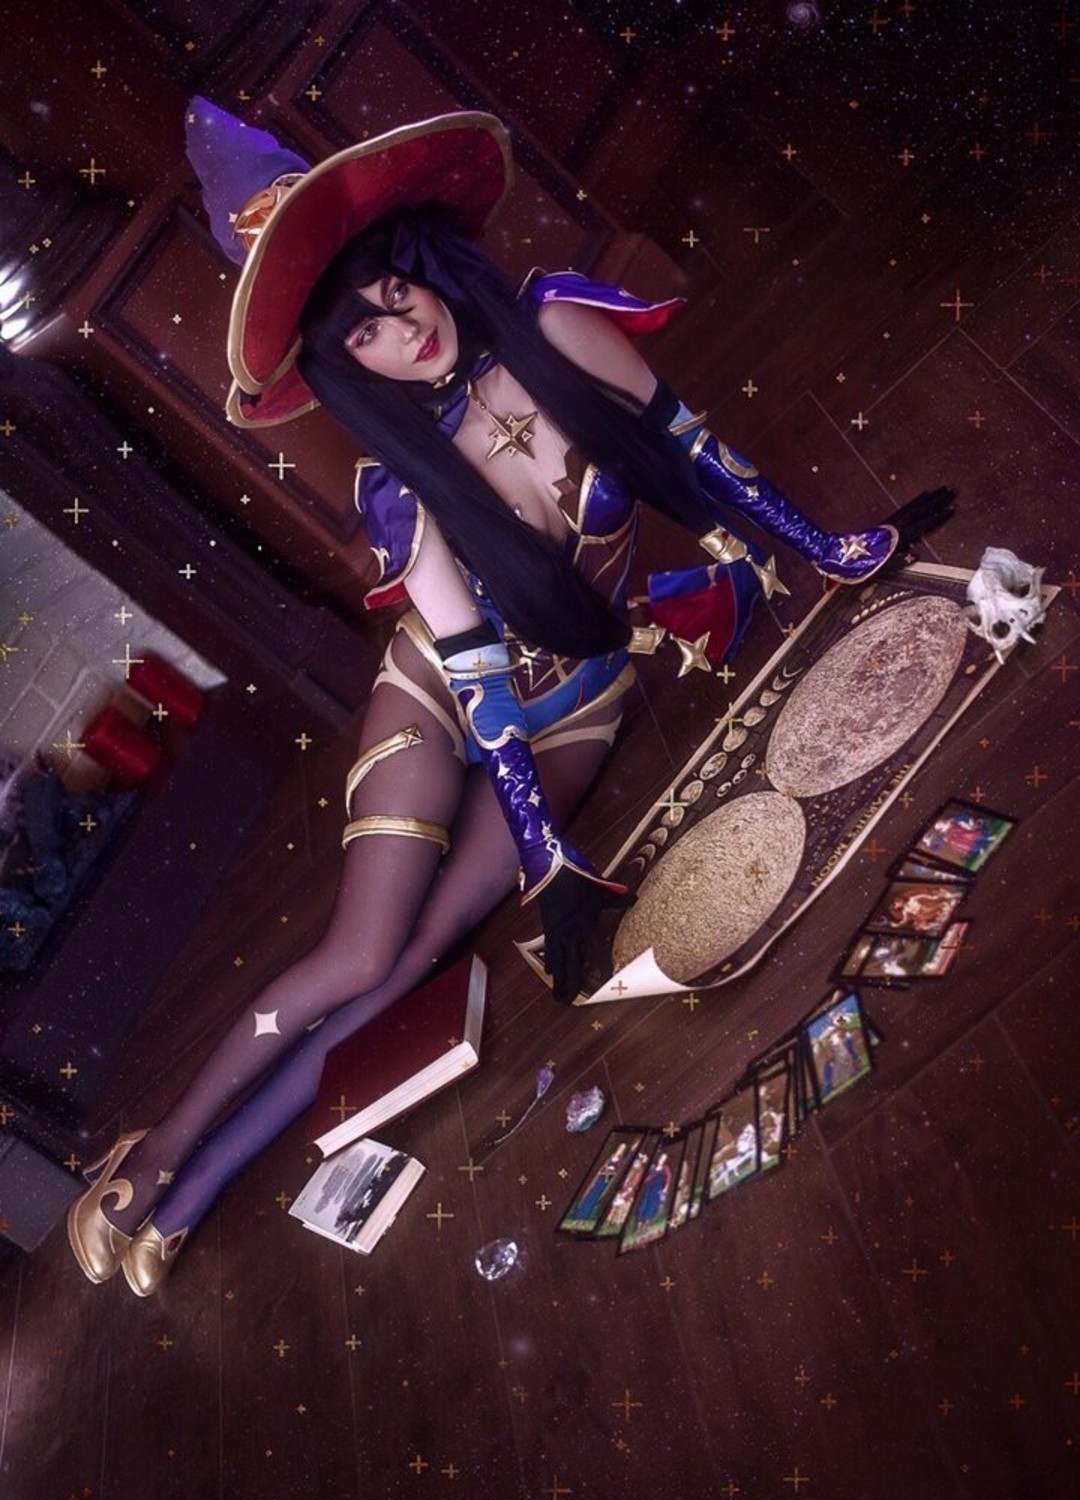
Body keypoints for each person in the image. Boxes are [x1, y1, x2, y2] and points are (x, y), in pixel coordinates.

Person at [67, 103, 952, 1297]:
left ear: (426, 265)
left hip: (582, 699)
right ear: (346, 369)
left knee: (424, 952)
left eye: (397, 293)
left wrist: (836, 550)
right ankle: (167, 1160)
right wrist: (548, 861)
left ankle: (206, 1172)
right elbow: (476, 677)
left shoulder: (559, 327)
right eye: (366, 333)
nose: (403, 331)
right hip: (442, 700)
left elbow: (695, 453)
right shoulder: (400, 487)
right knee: (362, 953)